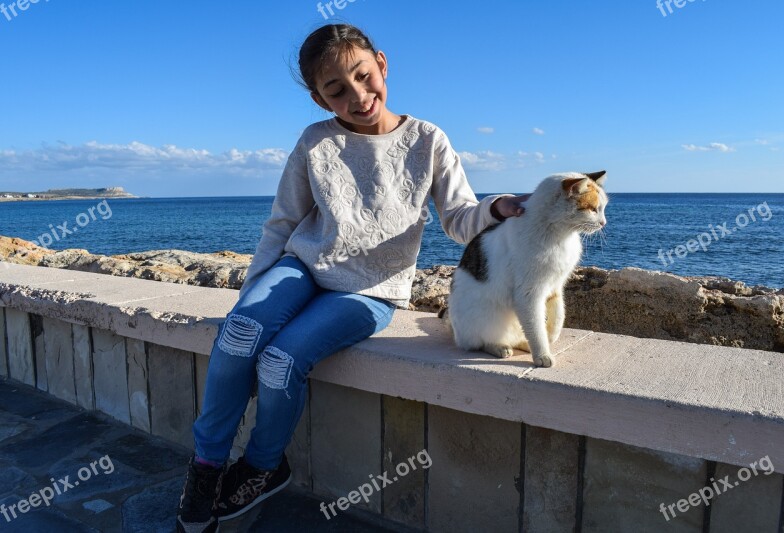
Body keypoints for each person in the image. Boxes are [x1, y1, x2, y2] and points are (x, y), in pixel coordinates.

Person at [176, 23, 529, 532]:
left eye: (364, 76)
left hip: (373, 288)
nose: (358, 96)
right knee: (240, 333)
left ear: (382, 64)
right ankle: (206, 470)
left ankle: (262, 466)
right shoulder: (315, 141)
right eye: (336, 91)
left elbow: (458, 218)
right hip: (302, 266)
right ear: (321, 100)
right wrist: (252, 294)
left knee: (279, 361)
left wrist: (497, 207)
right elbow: (282, 223)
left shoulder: (428, 140)